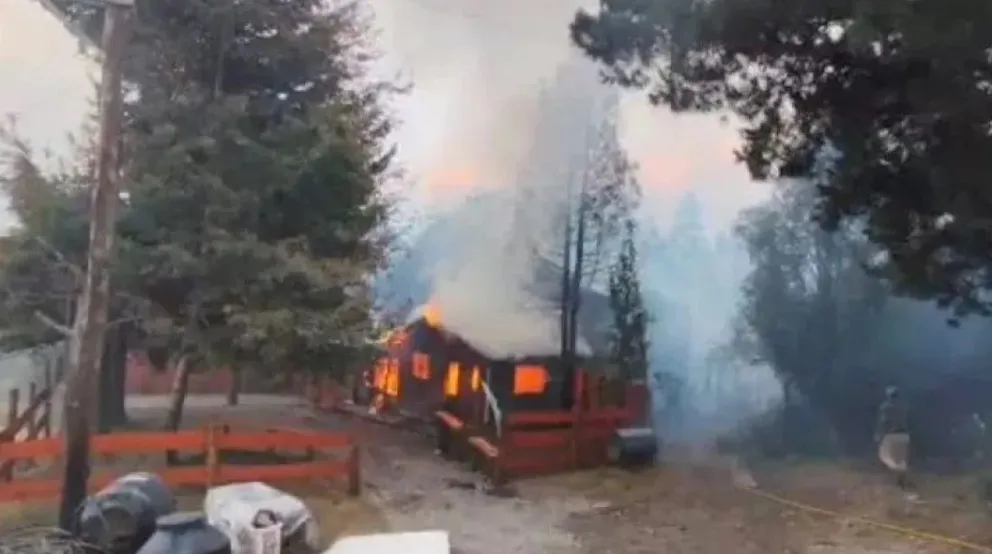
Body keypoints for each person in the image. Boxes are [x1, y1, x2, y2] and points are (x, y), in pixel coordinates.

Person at [875, 386, 910, 489]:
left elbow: (883, 422)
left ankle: (891, 477)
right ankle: (900, 479)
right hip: (903, 435)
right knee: (901, 459)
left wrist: (879, 433)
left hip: (891, 435)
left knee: (885, 455)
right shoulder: (903, 407)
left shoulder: (886, 407)